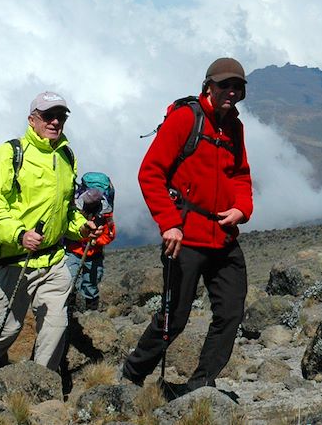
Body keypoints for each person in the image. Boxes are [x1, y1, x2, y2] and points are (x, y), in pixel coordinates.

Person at [122, 57, 253, 392]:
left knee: (230, 313)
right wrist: (169, 223)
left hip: (223, 237)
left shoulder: (234, 126)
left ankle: (200, 386)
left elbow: (240, 174)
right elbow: (150, 172)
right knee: (173, 319)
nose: (232, 92)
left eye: (238, 87)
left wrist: (242, 208)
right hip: (185, 237)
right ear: (208, 85)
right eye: (225, 85)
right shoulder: (186, 119)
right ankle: (133, 375)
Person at [0, 91, 102, 388]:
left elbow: (64, 211)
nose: (55, 121)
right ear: (32, 119)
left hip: (51, 260)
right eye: (48, 116)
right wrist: (20, 235)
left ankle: (39, 390)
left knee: (55, 326)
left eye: (60, 116)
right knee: (4, 331)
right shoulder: (11, 152)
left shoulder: (66, 156)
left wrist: (82, 228)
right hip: (11, 260)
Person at [64, 187, 116, 311]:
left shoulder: (105, 214)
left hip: (93, 253)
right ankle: (69, 309)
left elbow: (109, 234)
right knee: (69, 280)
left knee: (91, 283)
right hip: (75, 251)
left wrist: (96, 241)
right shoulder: (76, 210)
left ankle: (90, 311)